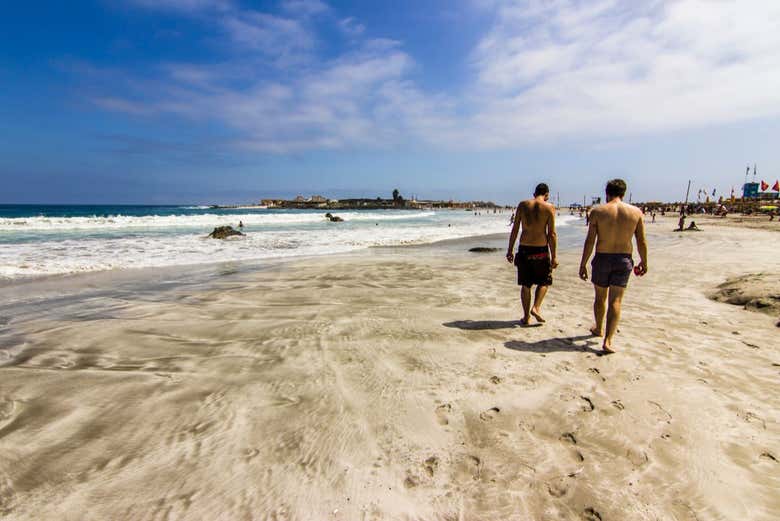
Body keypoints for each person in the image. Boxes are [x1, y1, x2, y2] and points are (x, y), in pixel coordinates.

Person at [579, 179, 648, 354]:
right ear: (623, 193)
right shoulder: (636, 212)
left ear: (606, 193)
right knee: (616, 300)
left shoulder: (598, 212)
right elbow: (641, 240)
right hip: (623, 259)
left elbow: (590, 241)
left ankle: (599, 328)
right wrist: (644, 261)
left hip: (602, 258)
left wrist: (583, 263)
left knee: (600, 298)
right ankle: (608, 340)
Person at [506, 183, 558, 325]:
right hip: (541, 250)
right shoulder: (549, 208)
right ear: (546, 194)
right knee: (544, 282)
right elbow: (551, 234)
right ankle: (536, 307)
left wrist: (510, 249)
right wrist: (554, 256)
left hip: (524, 249)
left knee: (526, 285)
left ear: (534, 193)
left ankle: (526, 317)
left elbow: (515, 229)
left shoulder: (523, 205)